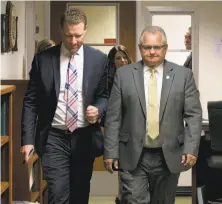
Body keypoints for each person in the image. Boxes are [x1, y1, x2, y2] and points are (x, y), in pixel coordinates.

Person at [103, 26, 202, 204]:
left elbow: (193, 115)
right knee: (134, 199)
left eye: (157, 47)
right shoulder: (124, 75)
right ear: (140, 48)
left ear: (165, 48)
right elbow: (113, 117)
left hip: (169, 155)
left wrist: (191, 148)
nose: (152, 52)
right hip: (132, 154)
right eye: (147, 47)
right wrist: (110, 151)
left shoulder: (183, 75)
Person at [20, 8, 109, 204]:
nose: (74, 41)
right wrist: (27, 140)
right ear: (61, 30)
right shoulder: (43, 60)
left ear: (86, 30)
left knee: (79, 194)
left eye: (78, 35)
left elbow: (104, 95)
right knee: (58, 193)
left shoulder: (99, 60)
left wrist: (98, 109)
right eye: (69, 35)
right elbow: (31, 101)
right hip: (53, 137)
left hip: (84, 137)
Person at [101, 45, 132, 204]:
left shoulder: (134, 76)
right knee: (120, 165)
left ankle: (123, 197)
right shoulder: (108, 81)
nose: (122, 60)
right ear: (112, 62)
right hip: (116, 129)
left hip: (132, 128)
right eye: (118, 58)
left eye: (124, 57)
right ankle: (121, 197)